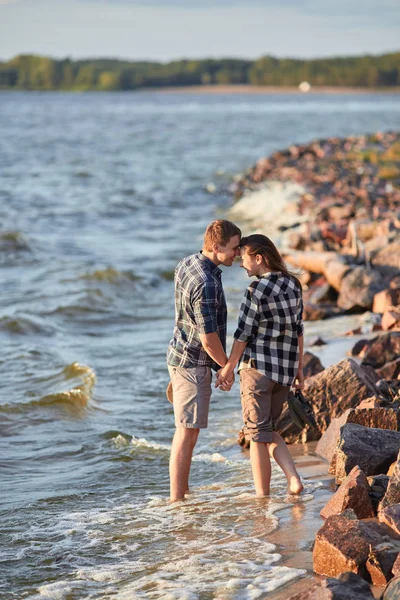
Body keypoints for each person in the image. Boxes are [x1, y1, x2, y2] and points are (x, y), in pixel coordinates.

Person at [216, 234, 304, 497]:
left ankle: (262, 498)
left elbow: (243, 334)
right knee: (266, 431)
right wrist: (299, 369)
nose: (241, 263)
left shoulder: (256, 290)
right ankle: (293, 478)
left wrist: (228, 367)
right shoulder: (293, 283)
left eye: (244, 257)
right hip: (285, 371)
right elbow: (298, 329)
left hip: (258, 370)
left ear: (259, 258)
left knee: (257, 436)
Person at [167, 220, 241, 502]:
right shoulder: (207, 282)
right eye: (234, 248)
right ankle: (177, 500)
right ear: (215, 246)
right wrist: (226, 368)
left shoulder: (187, 263)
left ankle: (182, 492)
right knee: (186, 433)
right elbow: (208, 339)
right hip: (192, 364)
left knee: (188, 431)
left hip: (178, 354)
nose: (237, 254)